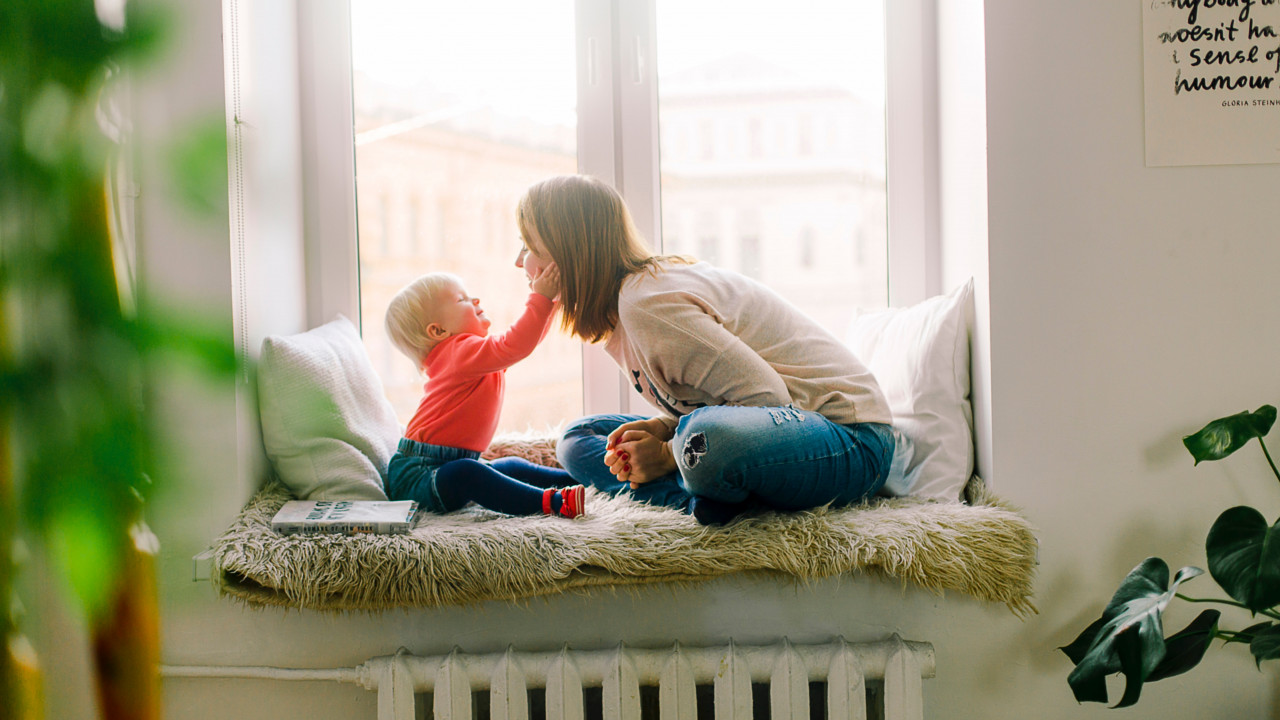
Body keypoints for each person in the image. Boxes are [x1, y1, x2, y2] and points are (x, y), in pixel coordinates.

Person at [515, 174, 894, 525]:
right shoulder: (623, 312)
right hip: (773, 432)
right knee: (579, 438)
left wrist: (665, 454)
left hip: (851, 440)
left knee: (705, 439)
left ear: (570, 254)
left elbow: (768, 399)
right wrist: (666, 429)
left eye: (530, 246)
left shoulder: (647, 304)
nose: (520, 261)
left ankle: (699, 489)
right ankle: (702, 498)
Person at [383, 267, 586, 519]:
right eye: (462, 299)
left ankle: (581, 480)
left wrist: (551, 303)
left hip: (446, 464)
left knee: (509, 466)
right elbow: (516, 344)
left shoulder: (470, 356)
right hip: (418, 476)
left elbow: (524, 344)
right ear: (438, 331)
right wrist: (542, 299)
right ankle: (553, 503)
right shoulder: (458, 352)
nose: (475, 300)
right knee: (468, 474)